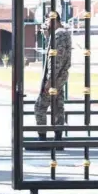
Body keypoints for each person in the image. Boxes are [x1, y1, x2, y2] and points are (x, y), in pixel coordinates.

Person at [26, 11, 72, 150]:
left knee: (40, 107)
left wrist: (50, 80)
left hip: (55, 78)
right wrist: (47, 36)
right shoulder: (59, 34)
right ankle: (58, 140)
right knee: (58, 107)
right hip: (60, 77)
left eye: (46, 21)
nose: (45, 24)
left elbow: (56, 59)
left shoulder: (59, 34)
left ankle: (42, 138)